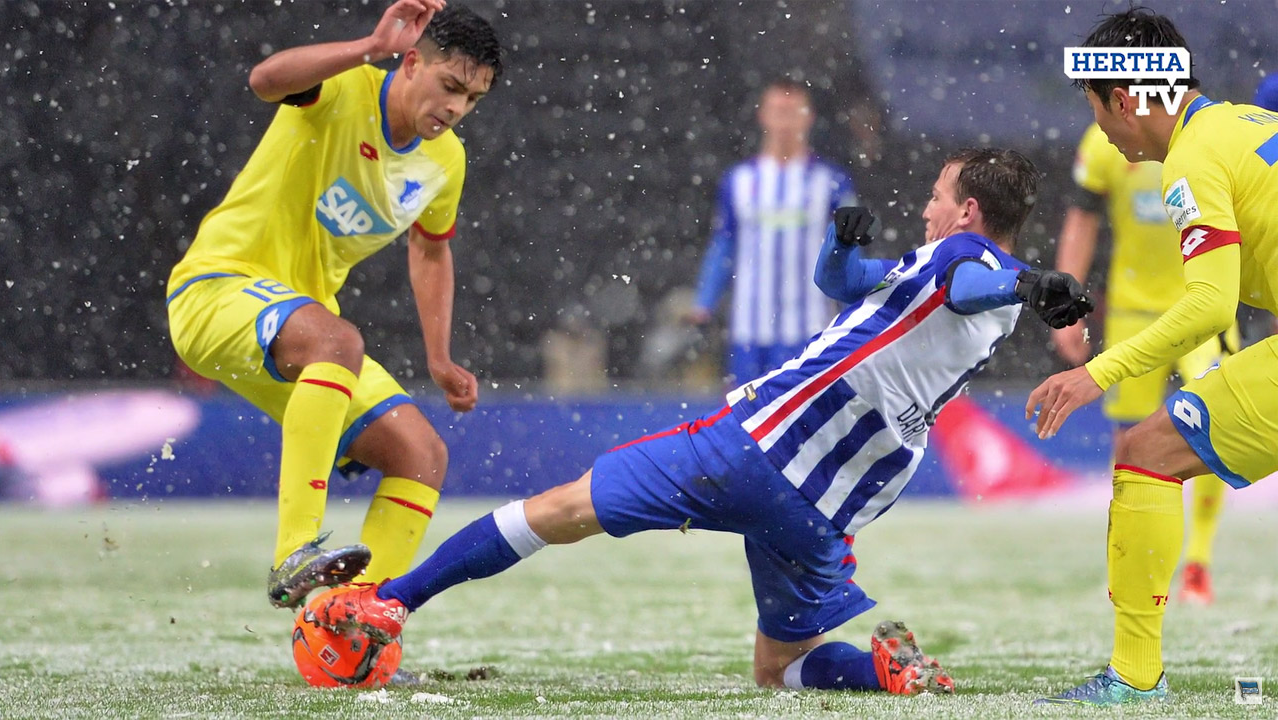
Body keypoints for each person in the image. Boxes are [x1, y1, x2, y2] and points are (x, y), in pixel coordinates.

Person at [316, 149, 1094, 694]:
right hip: (826, 506)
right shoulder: (970, 299)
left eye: (935, 194)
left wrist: (1033, 283)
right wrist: (839, 245)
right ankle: (879, 674)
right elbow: (851, 279)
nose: (925, 207)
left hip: (758, 447)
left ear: (966, 209)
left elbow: (970, 275)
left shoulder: (967, 262)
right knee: (781, 665)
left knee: (561, 508)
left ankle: (391, 600)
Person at [165, 0, 503, 609]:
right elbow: (264, 80)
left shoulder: (445, 161)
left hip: (299, 329)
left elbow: (430, 251)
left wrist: (440, 357)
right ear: (410, 63)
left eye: (472, 100)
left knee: (421, 455)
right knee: (338, 340)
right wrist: (365, 48)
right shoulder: (345, 89)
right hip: (216, 288)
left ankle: (349, 618)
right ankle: (294, 551)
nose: (456, 108)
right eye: (449, 86)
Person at [1029, 7, 1278, 706]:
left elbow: (1210, 306)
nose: (1101, 129)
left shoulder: (1192, 162)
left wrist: (1093, 373)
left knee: (1145, 450)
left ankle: (1135, 676)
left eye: (1097, 107)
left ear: (1128, 99)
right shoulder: (1248, 125)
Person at [1053, 123, 1236, 606]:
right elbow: (1082, 219)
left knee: (1215, 421)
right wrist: (1064, 308)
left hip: (1205, 304)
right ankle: (1132, 567)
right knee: (1129, 443)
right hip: (1135, 310)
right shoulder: (1103, 141)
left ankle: (1197, 562)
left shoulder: (1205, 137)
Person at [688, 80, 859, 385]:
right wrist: (705, 301)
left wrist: (856, 306)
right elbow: (724, 244)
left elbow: (849, 249)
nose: (785, 121)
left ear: (808, 117)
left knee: (803, 423)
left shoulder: (832, 181)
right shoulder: (737, 180)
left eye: (793, 112)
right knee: (745, 421)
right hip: (749, 331)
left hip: (809, 327)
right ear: (763, 116)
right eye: (778, 111)